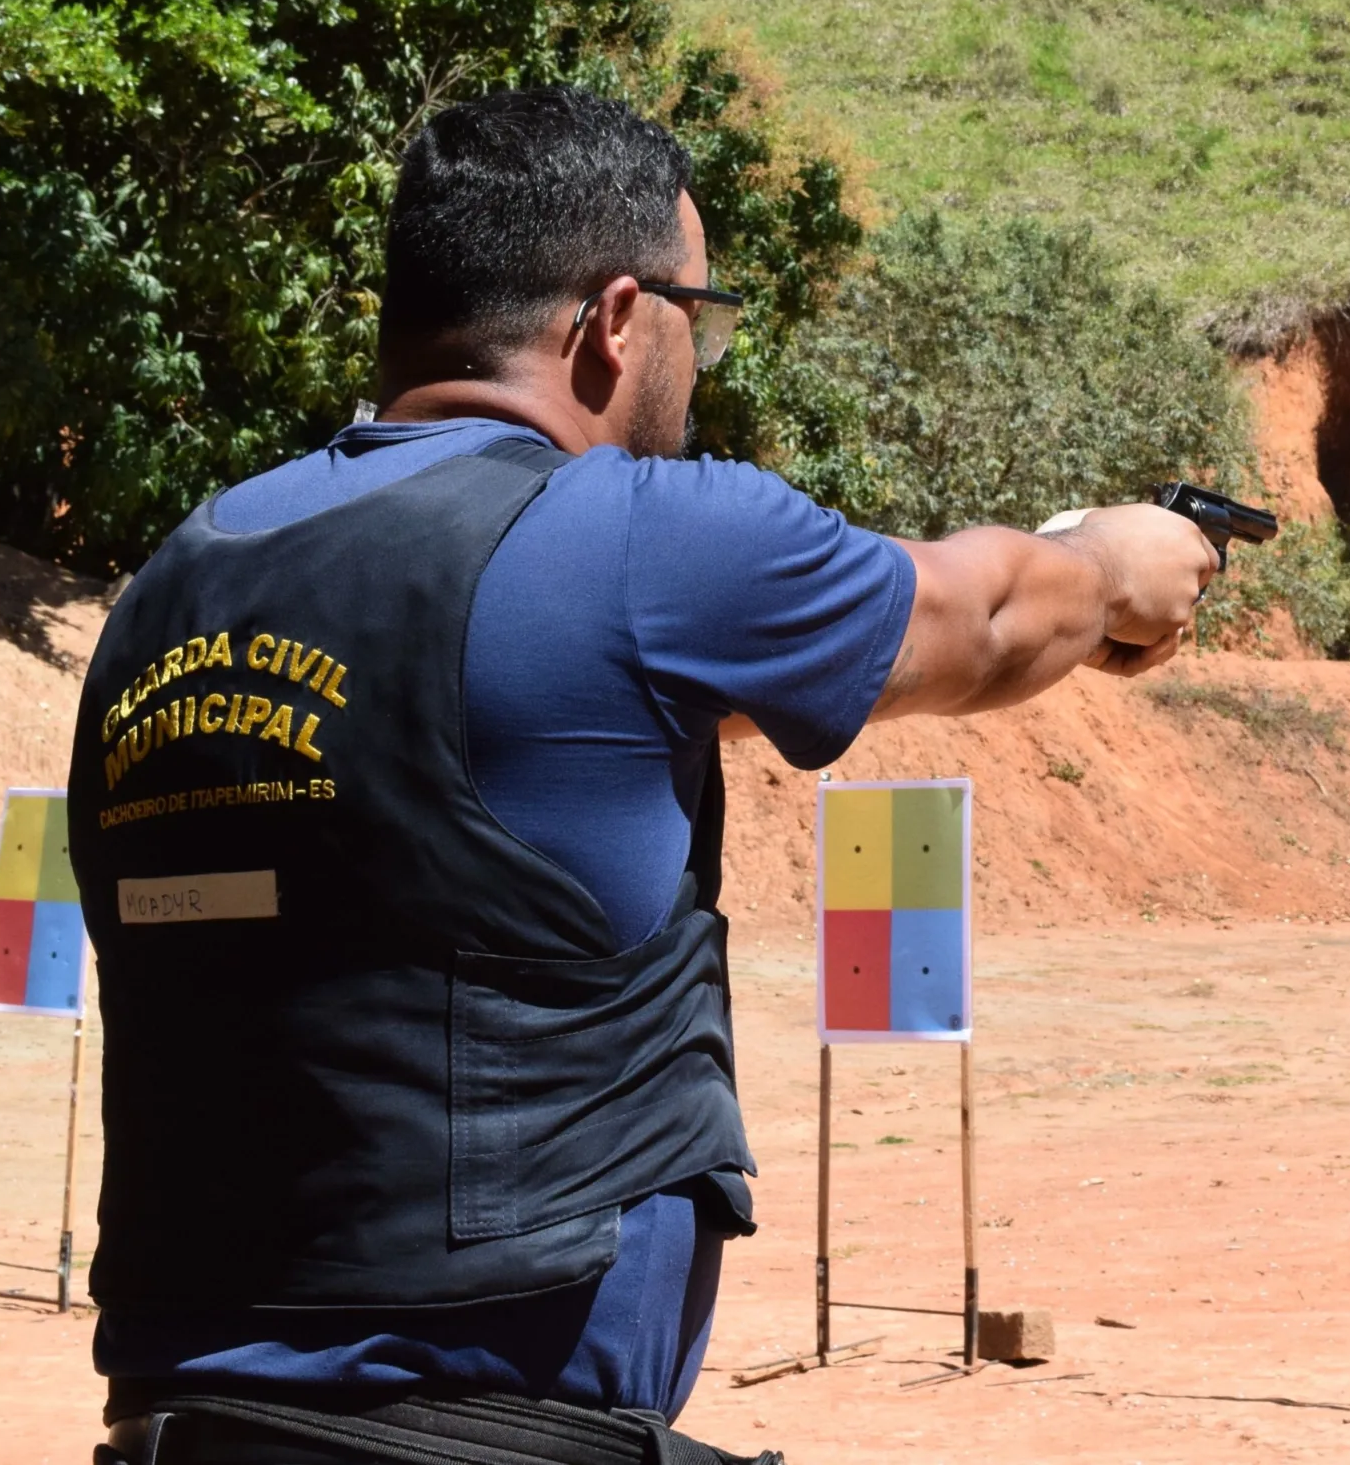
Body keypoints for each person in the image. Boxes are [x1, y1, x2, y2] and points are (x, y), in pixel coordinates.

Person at [67, 87, 1218, 1465]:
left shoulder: (180, 587)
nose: (701, 357)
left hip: (183, 1430)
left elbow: (505, 750)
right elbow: (977, 618)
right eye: (699, 318)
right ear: (616, 321)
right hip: (489, 1436)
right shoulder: (634, 539)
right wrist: (1113, 565)